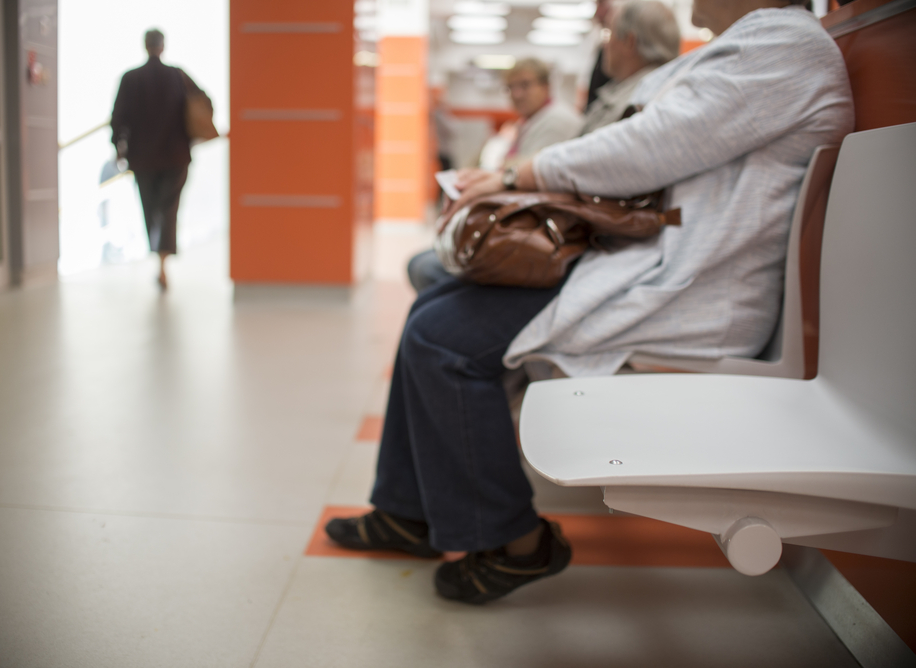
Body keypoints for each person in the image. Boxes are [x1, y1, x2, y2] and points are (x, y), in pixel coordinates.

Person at [327, 0, 853, 605]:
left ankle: (516, 543)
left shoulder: (784, 49)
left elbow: (650, 146)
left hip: (683, 290)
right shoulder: (762, 45)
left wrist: (516, 176)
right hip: (650, 264)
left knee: (440, 337)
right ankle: (405, 510)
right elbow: (650, 140)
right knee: (433, 308)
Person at [408, 59, 582, 292]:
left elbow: (528, 175)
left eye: (525, 85)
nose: (517, 94)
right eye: (511, 88)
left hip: (535, 234)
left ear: (545, 86)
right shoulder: (529, 122)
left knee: (426, 269)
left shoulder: (557, 121)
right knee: (422, 264)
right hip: (521, 225)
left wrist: (488, 180)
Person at [111, 29, 208, 290]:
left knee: (151, 208)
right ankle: (163, 264)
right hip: (175, 156)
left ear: (145, 46)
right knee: (168, 209)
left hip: (143, 158)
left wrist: (118, 147)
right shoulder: (178, 76)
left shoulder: (130, 79)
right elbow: (205, 102)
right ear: (162, 47)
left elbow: (117, 118)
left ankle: (160, 262)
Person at [579, 0, 679, 136]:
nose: (605, 45)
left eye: (609, 33)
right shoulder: (668, 91)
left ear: (629, 42)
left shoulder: (640, 105)